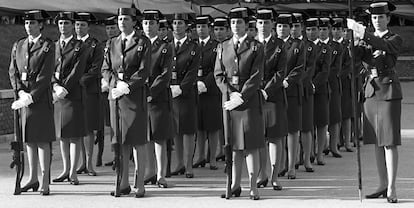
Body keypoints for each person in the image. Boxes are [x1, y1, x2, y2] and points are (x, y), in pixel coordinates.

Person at [348, 1, 403, 203]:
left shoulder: (394, 38)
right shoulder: (365, 40)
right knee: (377, 142)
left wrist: (363, 35)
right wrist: (353, 41)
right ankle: (381, 183)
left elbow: (385, 47)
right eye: (374, 17)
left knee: (389, 141)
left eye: (381, 17)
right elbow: (353, 61)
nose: (377, 20)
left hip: (388, 91)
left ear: (388, 18)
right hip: (371, 92)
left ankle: (391, 186)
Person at [215, 7, 264, 200]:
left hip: (249, 100)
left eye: (240, 22)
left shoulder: (256, 47)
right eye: (233, 23)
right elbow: (218, 74)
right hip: (230, 102)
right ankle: (235, 184)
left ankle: (253, 186)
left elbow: (257, 75)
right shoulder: (223, 46)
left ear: (246, 25)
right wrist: (229, 93)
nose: (236, 26)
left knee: (251, 145)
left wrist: (241, 95)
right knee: (234, 145)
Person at [101, 7, 151, 197]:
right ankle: (122, 182)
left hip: (134, 97)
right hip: (116, 97)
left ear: (133, 22)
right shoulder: (111, 43)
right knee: (120, 141)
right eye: (120, 19)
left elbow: (144, 70)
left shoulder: (142, 42)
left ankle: (140, 183)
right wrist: (116, 83)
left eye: (126, 19)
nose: (122, 22)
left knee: (137, 141)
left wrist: (128, 85)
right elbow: (105, 68)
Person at [9, 10, 55, 195]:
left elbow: (46, 75)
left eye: (33, 23)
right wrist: (20, 91)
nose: (29, 26)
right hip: (23, 99)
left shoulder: (47, 46)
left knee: (42, 140)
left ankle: (45, 179)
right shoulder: (19, 45)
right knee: (28, 139)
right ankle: (32, 178)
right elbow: (13, 71)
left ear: (40, 25)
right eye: (27, 23)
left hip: (40, 99)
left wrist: (32, 95)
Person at [52, 11, 87, 186]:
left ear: (72, 25)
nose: (63, 26)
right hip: (58, 95)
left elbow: (78, 69)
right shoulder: (53, 45)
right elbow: (49, 68)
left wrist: (64, 87)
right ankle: (65, 169)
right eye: (61, 24)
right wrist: (55, 85)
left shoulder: (80, 45)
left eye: (66, 23)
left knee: (74, 135)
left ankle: (73, 171)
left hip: (73, 95)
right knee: (63, 135)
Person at [141, 9, 174, 188]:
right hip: (139, 96)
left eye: (151, 23)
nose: (148, 26)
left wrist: (150, 92)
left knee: (159, 137)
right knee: (145, 136)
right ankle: (149, 171)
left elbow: (165, 73)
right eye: (145, 23)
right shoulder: (137, 44)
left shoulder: (165, 46)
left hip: (158, 97)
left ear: (158, 25)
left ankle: (161, 174)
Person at [255, 8, 286, 191]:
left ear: (272, 24)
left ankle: (275, 176)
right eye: (260, 22)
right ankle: (262, 174)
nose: (263, 26)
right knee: (259, 137)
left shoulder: (280, 45)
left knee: (275, 137)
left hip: (273, 96)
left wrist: (265, 91)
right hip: (254, 95)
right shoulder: (251, 44)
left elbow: (280, 72)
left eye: (267, 22)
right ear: (256, 24)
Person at [169, 13, 200, 179]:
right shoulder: (166, 45)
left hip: (186, 93)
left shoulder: (193, 47)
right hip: (170, 92)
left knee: (187, 130)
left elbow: (193, 71)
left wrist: (181, 87)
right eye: (174, 23)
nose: (177, 26)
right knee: (176, 130)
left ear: (186, 26)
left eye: (180, 23)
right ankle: (179, 163)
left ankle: (188, 165)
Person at [276, 13, 305, 179]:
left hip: (292, 91)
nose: (282, 29)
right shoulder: (271, 44)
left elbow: (300, 67)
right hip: (276, 91)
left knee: (293, 129)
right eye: (279, 26)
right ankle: (279, 164)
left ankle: (291, 165)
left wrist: (287, 80)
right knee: (278, 130)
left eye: (285, 26)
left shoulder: (298, 45)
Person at [75, 12, 104, 176]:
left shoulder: (95, 45)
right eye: (77, 25)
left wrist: (78, 81)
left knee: (88, 128)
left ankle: (89, 163)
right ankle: (79, 163)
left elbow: (95, 68)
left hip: (89, 90)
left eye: (83, 25)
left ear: (88, 27)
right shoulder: (70, 44)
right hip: (73, 92)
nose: (79, 28)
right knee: (76, 128)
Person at [193, 15, 221, 170]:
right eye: (198, 27)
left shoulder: (216, 46)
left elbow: (216, 68)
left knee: (212, 125)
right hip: (195, 88)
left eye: (203, 27)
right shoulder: (193, 45)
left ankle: (213, 158)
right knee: (199, 125)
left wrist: (205, 83)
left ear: (209, 28)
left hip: (211, 89)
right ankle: (200, 156)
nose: (201, 29)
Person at [295, 14, 317, 173]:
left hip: (305, 89)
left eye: (297, 26)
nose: (295, 29)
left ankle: (307, 159)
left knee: (306, 127)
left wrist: (297, 79)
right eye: (292, 26)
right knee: (292, 128)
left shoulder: (310, 46)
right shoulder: (286, 45)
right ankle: (294, 158)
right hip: (290, 91)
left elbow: (309, 68)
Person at [320, 17, 343, 159]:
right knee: (320, 119)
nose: (322, 32)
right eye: (320, 29)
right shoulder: (311, 45)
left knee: (334, 117)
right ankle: (321, 146)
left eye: (325, 29)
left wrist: (323, 76)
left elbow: (336, 68)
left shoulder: (336, 46)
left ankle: (334, 145)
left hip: (332, 84)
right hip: (318, 85)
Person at [99, 16, 121, 167]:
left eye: (113, 27)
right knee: (112, 125)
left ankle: (126, 154)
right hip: (108, 90)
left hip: (122, 87)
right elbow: (103, 66)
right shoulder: (104, 45)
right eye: (107, 28)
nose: (110, 31)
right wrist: (105, 80)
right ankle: (116, 155)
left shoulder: (121, 44)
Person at [313, 18, 332, 166]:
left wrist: (313, 84)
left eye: (323, 29)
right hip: (304, 88)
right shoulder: (306, 46)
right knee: (307, 125)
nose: (319, 32)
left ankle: (319, 153)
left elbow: (325, 71)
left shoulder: (326, 48)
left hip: (320, 89)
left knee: (321, 122)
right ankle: (307, 153)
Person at [333, 18, 354, 152]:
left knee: (346, 114)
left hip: (344, 82)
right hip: (332, 84)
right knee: (334, 114)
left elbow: (348, 66)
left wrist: (337, 75)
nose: (336, 32)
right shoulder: (329, 45)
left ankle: (347, 141)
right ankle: (336, 142)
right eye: (334, 29)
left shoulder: (347, 46)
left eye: (339, 29)